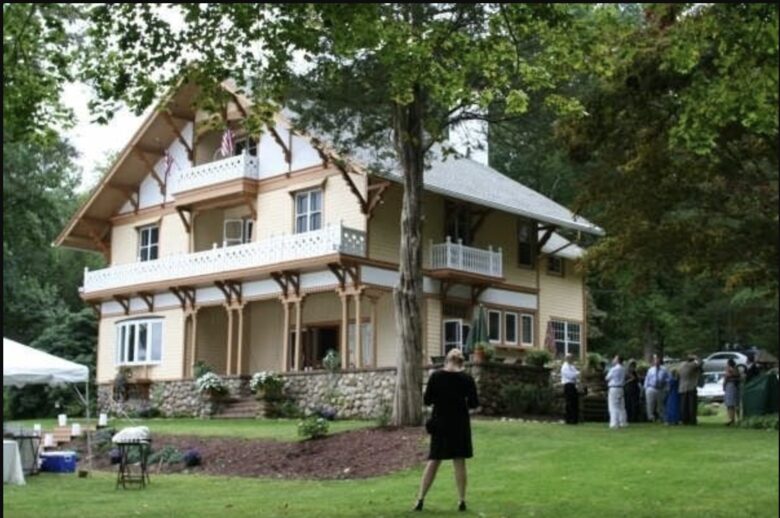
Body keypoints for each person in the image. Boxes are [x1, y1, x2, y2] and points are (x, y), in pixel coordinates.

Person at [415, 348, 479, 512]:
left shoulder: (436, 376)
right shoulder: (467, 378)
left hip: (440, 423)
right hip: (459, 424)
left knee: (434, 461)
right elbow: (473, 404)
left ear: (447, 360)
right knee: (459, 462)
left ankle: (420, 499)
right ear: (461, 363)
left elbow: (427, 400)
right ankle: (462, 500)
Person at [643, 354, 670, 422]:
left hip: (660, 388)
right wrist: (646, 388)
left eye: (657, 360)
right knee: (650, 404)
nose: (656, 361)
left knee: (660, 404)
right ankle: (650, 417)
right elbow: (647, 378)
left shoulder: (664, 370)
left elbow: (668, 378)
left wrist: (666, 386)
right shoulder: (650, 370)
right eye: (655, 360)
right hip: (651, 388)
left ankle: (661, 417)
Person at [677, 354, 702, 425]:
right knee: (692, 405)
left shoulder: (681, 365)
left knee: (683, 405)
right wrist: (696, 357)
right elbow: (700, 363)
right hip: (691, 386)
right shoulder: (691, 365)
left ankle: (684, 419)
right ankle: (692, 419)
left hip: (682, 387)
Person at [605, 355, 627, 429]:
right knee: (621, 406)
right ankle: (623, 422)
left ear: (617, 360)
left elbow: (607, 378)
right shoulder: (623, 369)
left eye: (614, 359)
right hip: (621, 388)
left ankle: (614, 423)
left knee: (613, 406)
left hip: (614, 387)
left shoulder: (614, 369)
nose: (613, 360)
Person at [561, 354, 581, 424]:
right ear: (567, 359)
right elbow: (571, 376)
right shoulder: (565, 367)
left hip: (573, 385)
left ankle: (575, 419)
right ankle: (569, 419)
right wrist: (576, 374)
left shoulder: (572, 366)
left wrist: (576, 374)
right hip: (568, 385)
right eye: (571, 358)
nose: (572, 360)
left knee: (575, 402)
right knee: (569, 403)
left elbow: (577, 373)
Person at [723, 358, 742, 426]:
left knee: (730, 404)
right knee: (735, 404)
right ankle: (735, 418)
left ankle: (731, 419)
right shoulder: (736, 370)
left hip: (731, 387)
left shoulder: (731, 370)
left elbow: (727, 377)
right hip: (734, 387)